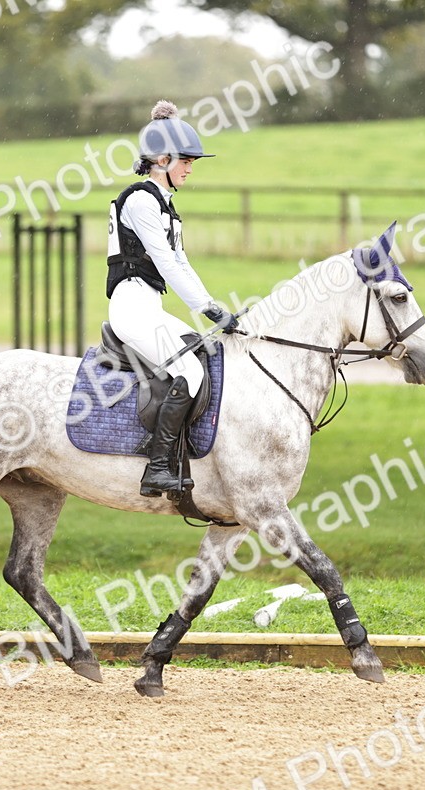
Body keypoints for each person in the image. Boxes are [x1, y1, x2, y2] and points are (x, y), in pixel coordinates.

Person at [105, 100, 238, 498]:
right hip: (130, 306)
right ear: (162, 160)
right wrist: (207, 307)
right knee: (192, 373)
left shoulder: (166, 207)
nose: (190, 167)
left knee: (206, 355)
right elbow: (165, 262)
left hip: (149, 305)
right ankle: (157, 467)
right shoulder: (142, 201)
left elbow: (182, 261)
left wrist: (212, 304)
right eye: (186, 160)